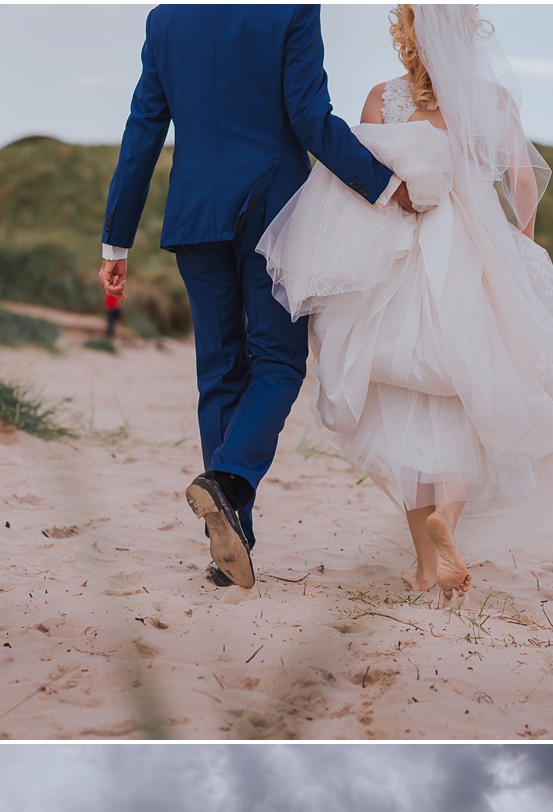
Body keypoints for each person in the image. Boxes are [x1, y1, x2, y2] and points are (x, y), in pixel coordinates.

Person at [257, 5, 553, 600]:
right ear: (469, 36)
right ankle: (451, 517)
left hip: (396, 255)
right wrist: (521, 241)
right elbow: (522, 180)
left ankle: (422, 568)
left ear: (407, 35)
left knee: (400, 409)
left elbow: (353, 183)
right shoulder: (490, 100)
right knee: (476, 391)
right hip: (471, 249)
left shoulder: (381, 98)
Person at [99, 5, 416, 591]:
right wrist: (384, 184)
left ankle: (229, 543)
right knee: (277, 362)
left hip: (195, 213)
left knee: (219, 370)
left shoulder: (167, 20)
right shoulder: (292, 9)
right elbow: (309, 117)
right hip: (275, 213)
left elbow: (144, 127)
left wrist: (116, 241)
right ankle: (229, 480)